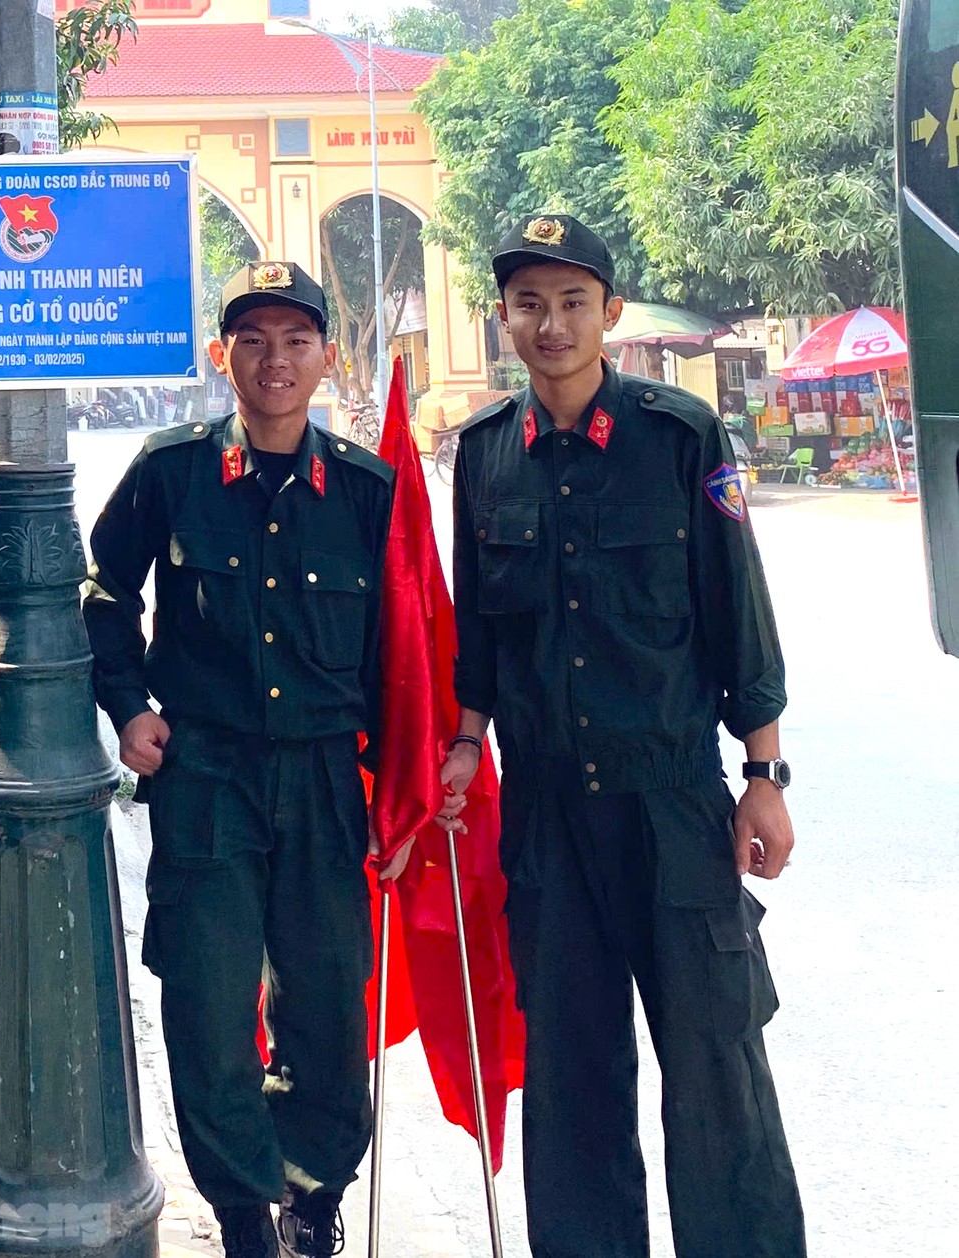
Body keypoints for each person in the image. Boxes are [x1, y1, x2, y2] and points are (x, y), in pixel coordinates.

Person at [439, 214, 803, 1258]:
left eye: (568, 301)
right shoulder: (483, 455)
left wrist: (763, 773)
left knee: (715, 1071)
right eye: (526, 302)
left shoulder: (677, 435)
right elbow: (481, 629)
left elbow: (738, 611)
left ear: (607, 310)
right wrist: (467, 739)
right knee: (572, 1083)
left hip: (674, 806)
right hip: (548, 821)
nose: (548, 323)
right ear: (502, 316)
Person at [82, 262, 397, 1258]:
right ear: (223, 357)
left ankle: (310, 1186)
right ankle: (239, 1210)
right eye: (252, 340)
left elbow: (405, 646)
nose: (274, 359)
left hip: (324, 779)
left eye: (294, 339)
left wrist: (405, 785)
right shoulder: (171, 472)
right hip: (207, 776)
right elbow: (103, 592)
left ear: (324, 355)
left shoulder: (365, 490)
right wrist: (128, 708)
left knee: (328, 1014)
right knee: (209, 1010)